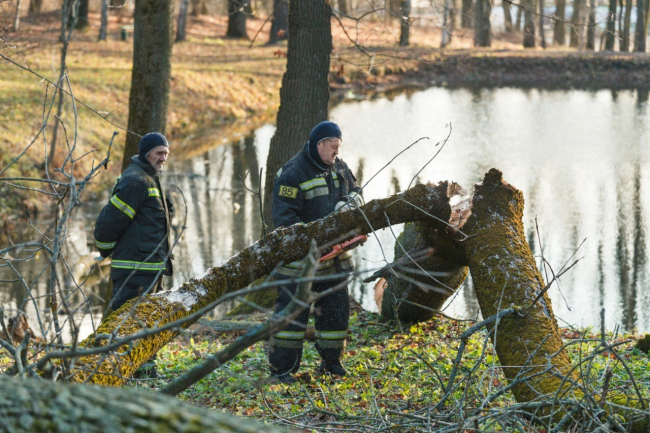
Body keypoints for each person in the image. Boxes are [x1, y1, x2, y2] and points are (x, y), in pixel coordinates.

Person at [269, 121, 364, 384]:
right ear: (319, 144)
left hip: (335, 263)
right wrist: (318, 238)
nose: (336, 152)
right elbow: (285, 222)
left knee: (335, 316)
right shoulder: (291, 174)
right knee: (290, 321)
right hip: (299, 266)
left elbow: (358, 192)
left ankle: (331, 363)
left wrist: (350, 204)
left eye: (338, 147)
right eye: (332, 147)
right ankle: (281, 371)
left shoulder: (340, 167)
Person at [94, 132, 174, 313]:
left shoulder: (150, 178)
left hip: (148, 272)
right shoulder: (136, 180)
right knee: (126, 327)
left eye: (165, 154)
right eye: (159, 153)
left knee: (144, 328)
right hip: (133, 275)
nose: (163, 158)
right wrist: (104, 249)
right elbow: (109, 223)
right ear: (146, 153)